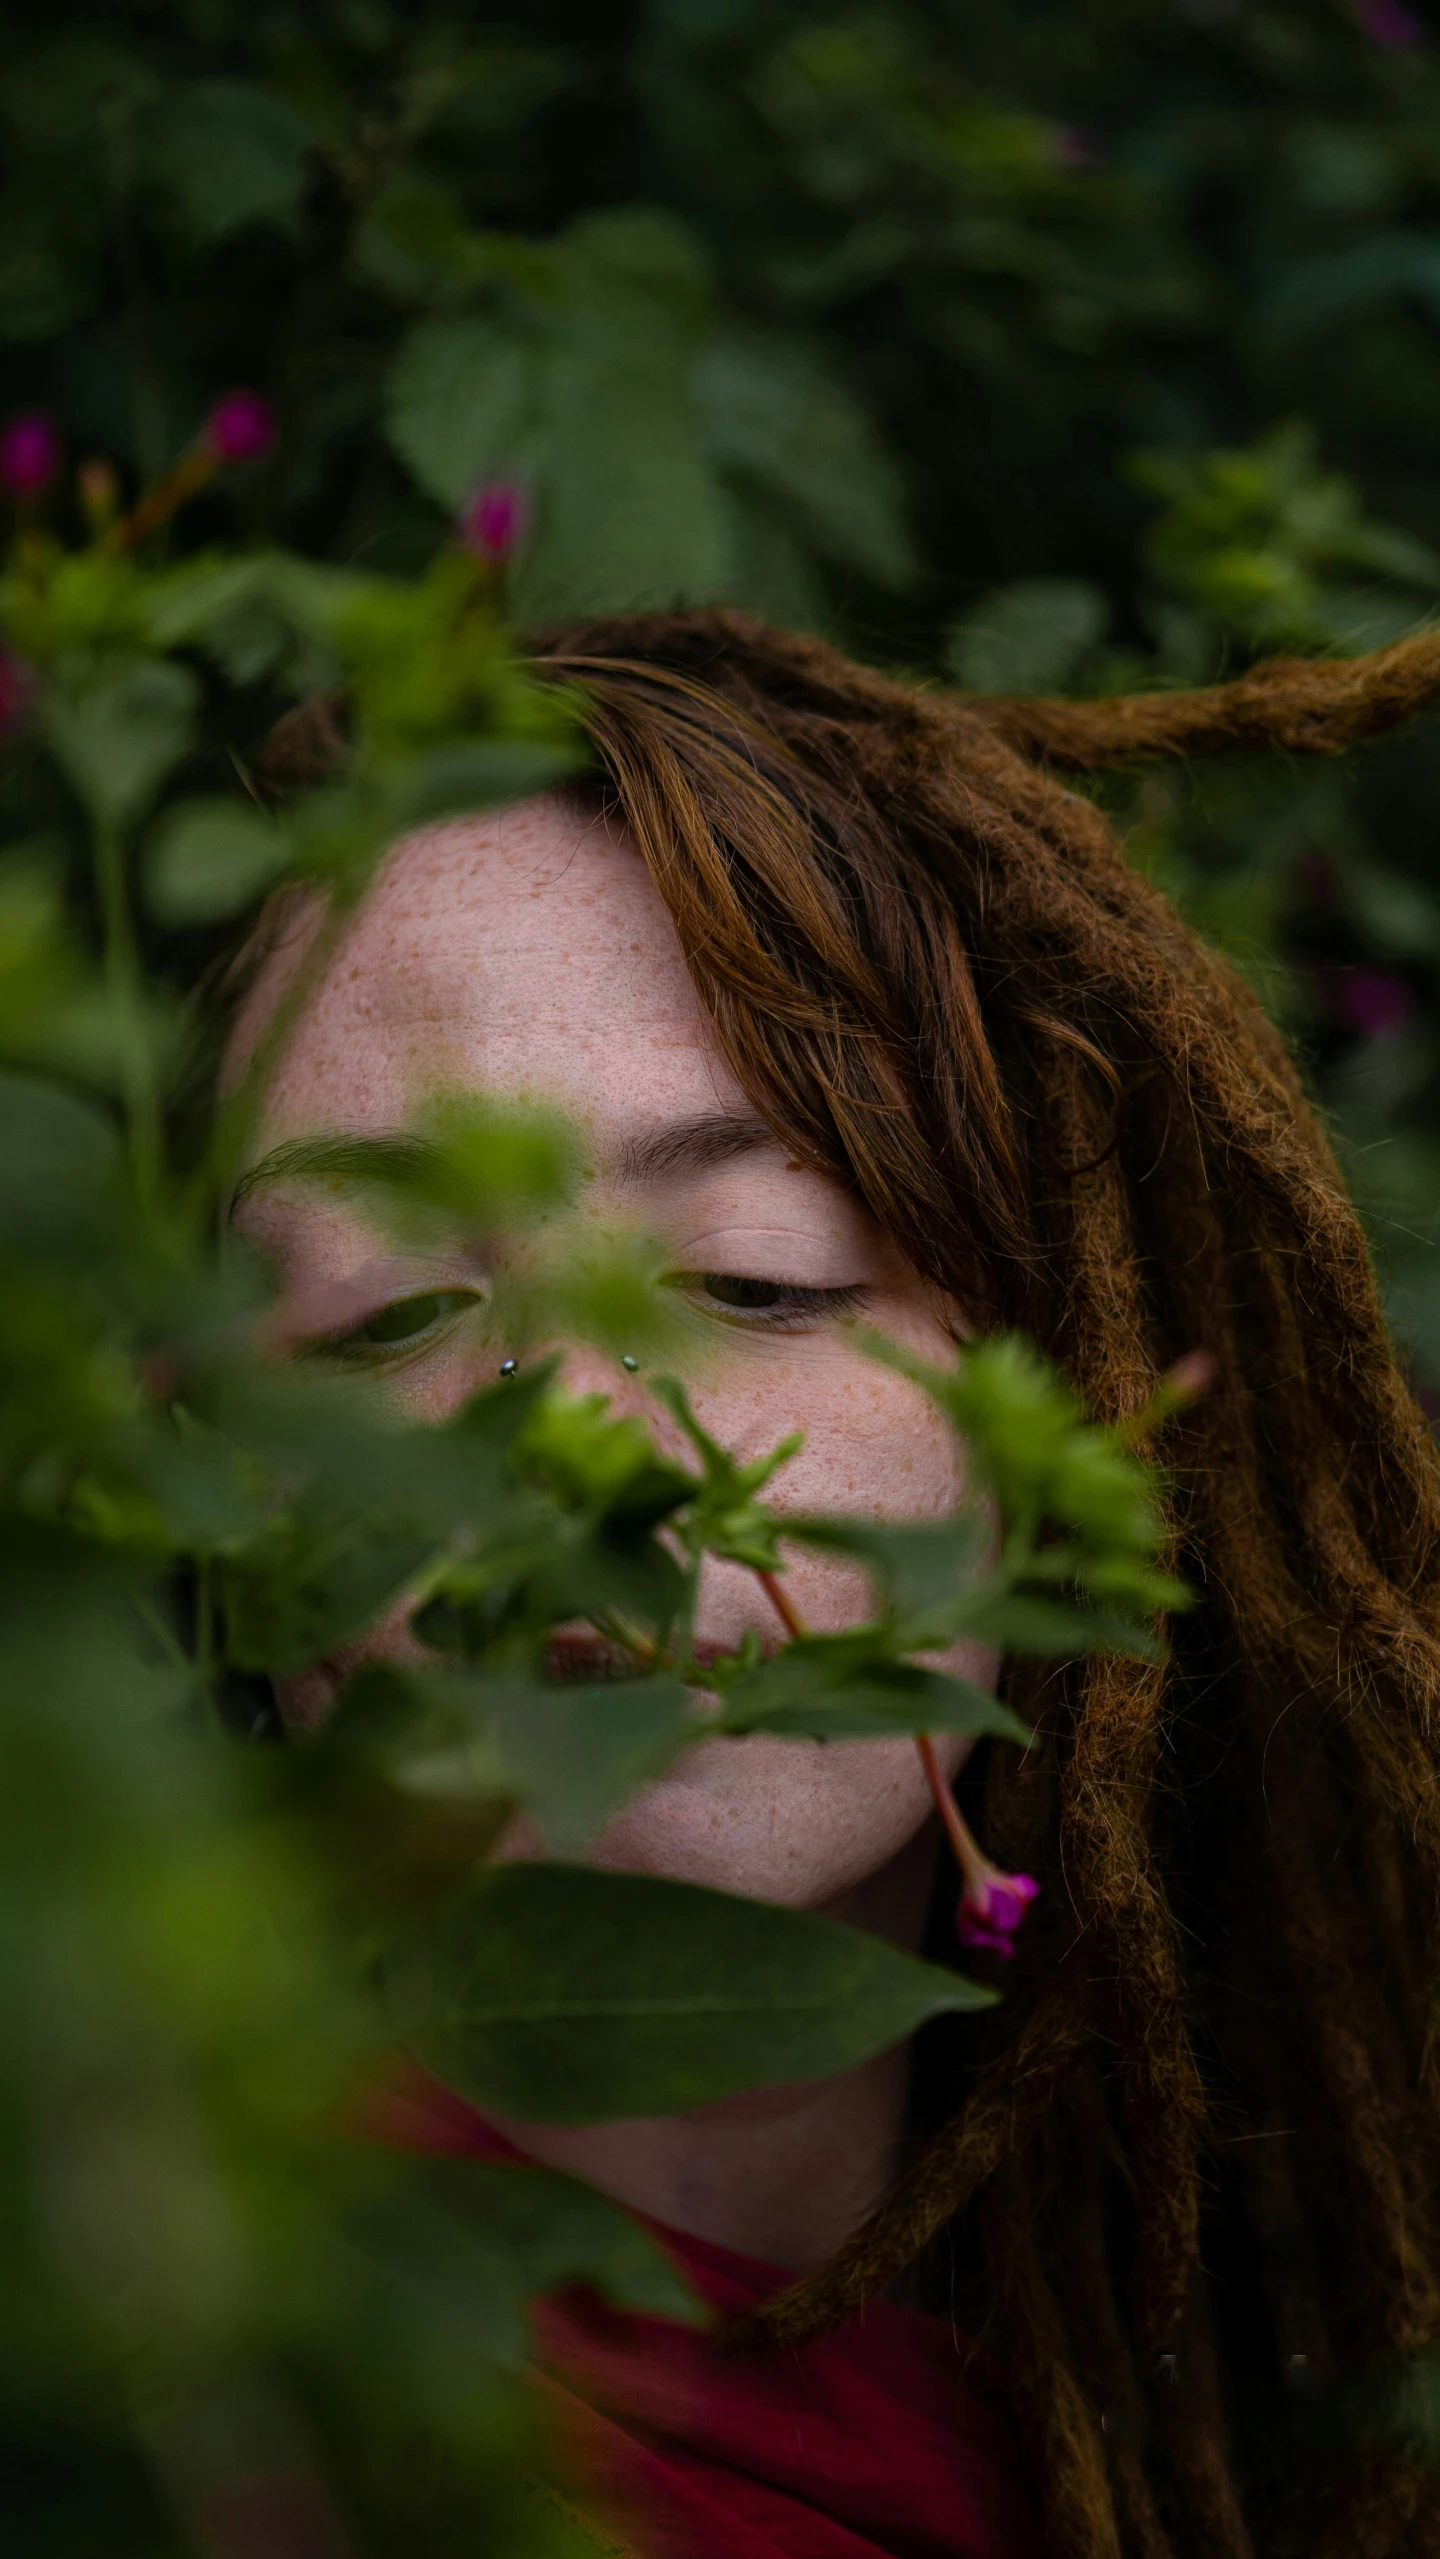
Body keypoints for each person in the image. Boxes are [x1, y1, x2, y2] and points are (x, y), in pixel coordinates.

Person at [237, 611, 1440, 2559]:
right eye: (393, 1311)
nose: (590, 1453)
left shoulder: (1198, 2431)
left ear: (1074, 1405)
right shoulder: (141, 2400)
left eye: (754, 1276)